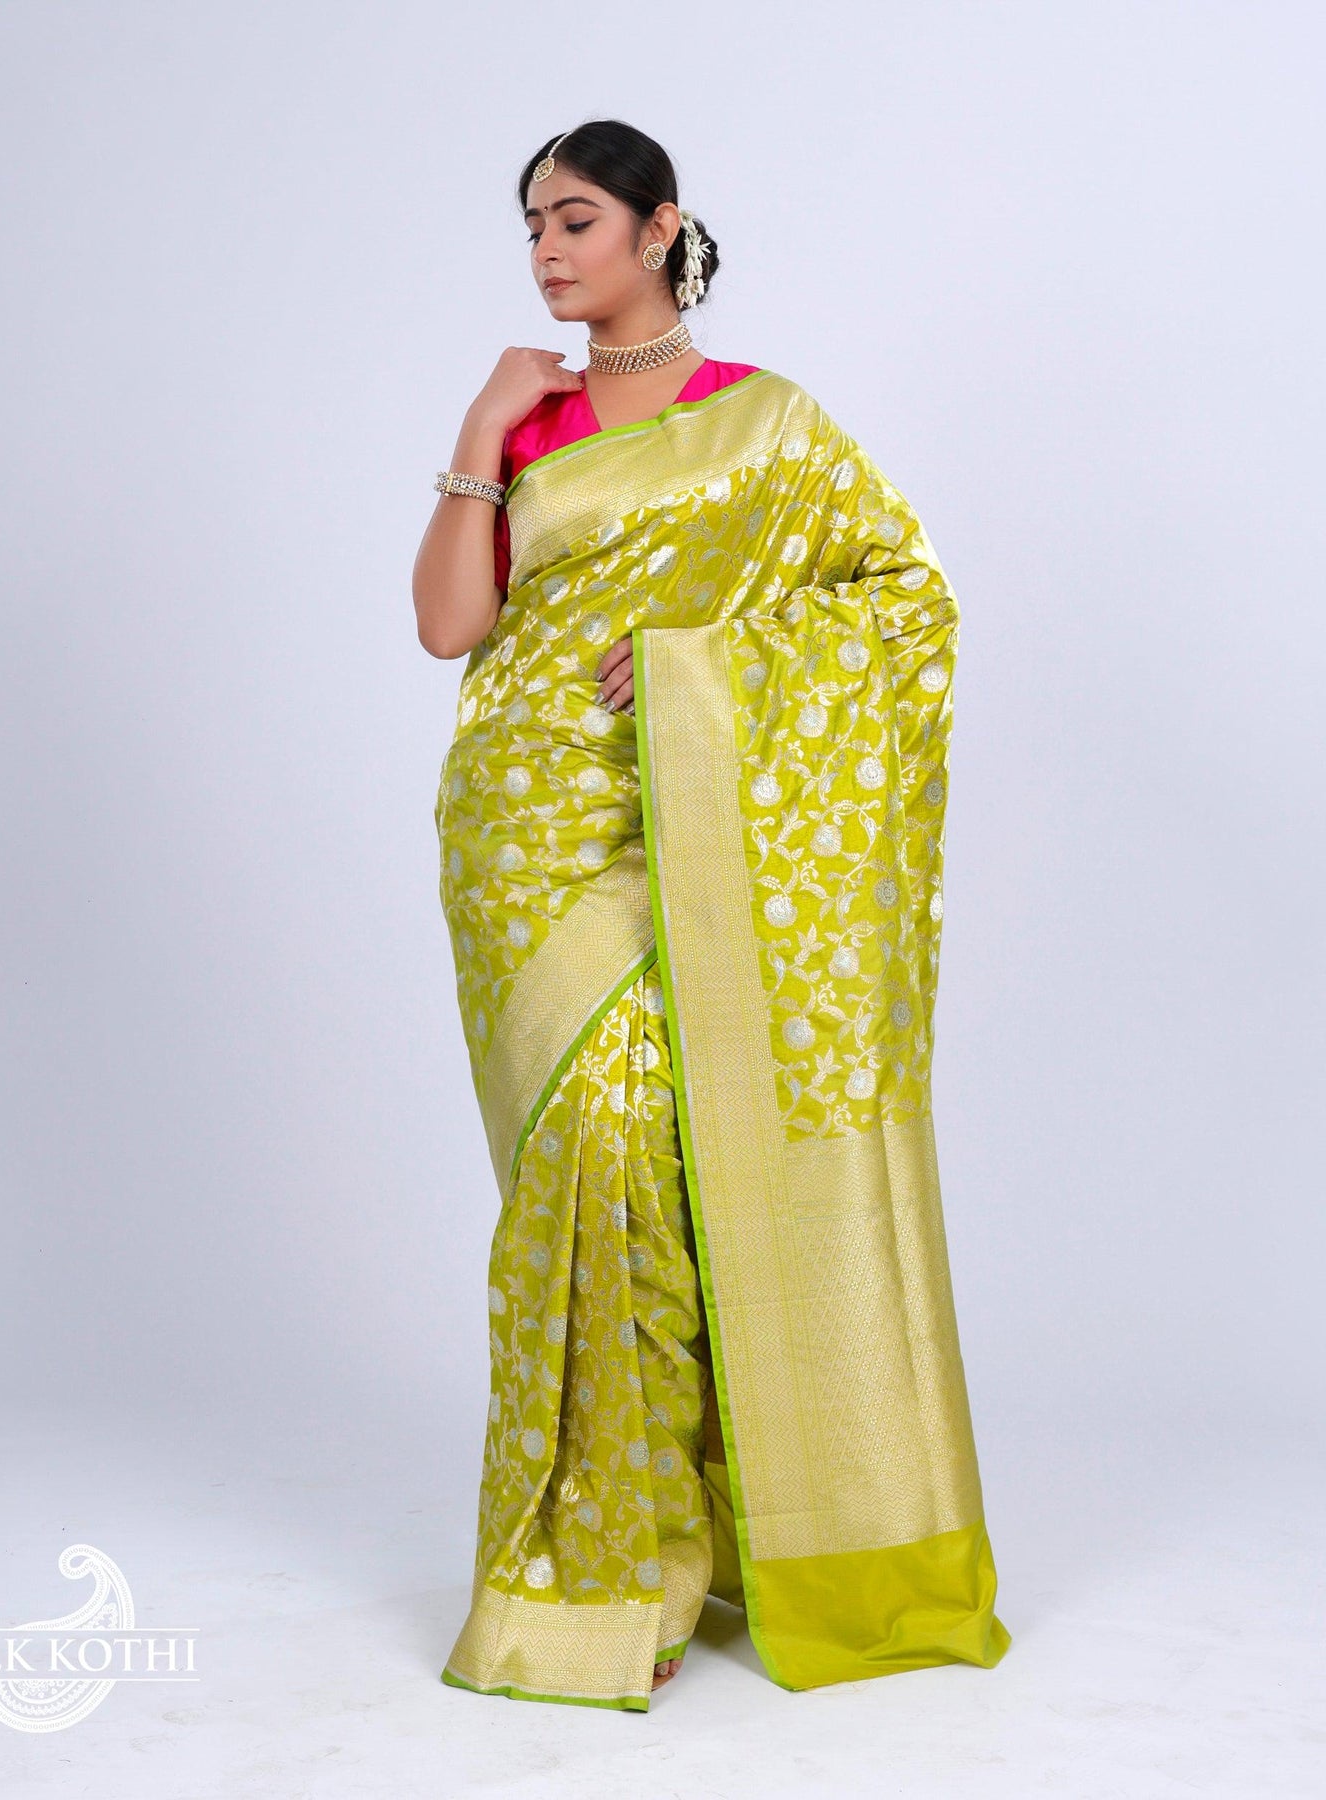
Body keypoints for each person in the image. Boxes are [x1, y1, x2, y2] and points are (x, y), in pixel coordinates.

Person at [412, 118, 1010, 1712]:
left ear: (661, 227)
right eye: (532, 225)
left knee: (668, 1151)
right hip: (524, 833)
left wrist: (703, 665)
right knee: (584, 1156)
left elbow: (905, 601)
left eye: (576, 219)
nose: (547, 251)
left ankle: (688, 1541)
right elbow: (451, 626)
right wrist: (480, 430)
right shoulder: (529, 423)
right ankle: (599, 1562)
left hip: (688, 811)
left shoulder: (767, 423)